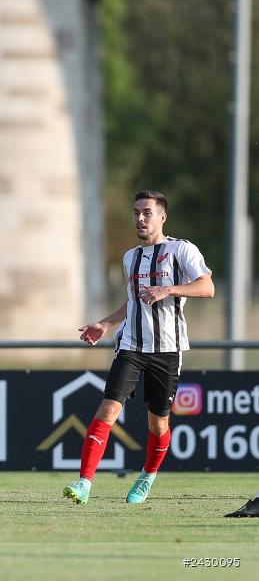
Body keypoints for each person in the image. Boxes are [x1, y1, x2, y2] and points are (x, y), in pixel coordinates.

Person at [64, 190, 214, 505]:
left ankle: (147, 476)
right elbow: (133, 302)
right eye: (136, 212)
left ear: (162, 216)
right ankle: (83, 484)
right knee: (108, 409)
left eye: (147, 212)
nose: (140, 218)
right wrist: (106, 324)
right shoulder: (130, 257)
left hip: (167, 350)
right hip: (131, 347)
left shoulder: (181, 250)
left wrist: (168, 289)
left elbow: (207, 286)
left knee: (157, 422)